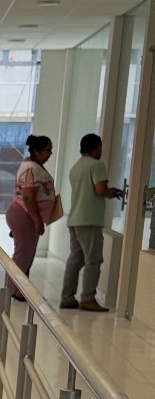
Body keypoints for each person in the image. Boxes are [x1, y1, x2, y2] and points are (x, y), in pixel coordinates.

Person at [61, 132, 124, 311]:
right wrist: (111, 192)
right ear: (97, 147)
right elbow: (100, 189)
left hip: (75, 219)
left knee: (75, 259)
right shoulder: (97, 165)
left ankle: (67, 297)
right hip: (89, 220)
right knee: (93, 260)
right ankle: (88, 298)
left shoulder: (76, 167)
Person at [7, 133, 59, 278]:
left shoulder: (34, 166)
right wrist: (37, 221)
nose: (50, 153)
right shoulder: (31, 168)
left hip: (26, 214)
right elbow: (28, 196)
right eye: (47, 150)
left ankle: (20, 287)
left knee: (27, 254)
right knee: (23, 255)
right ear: (37, 151)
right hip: (25, 213)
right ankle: (14, 287)